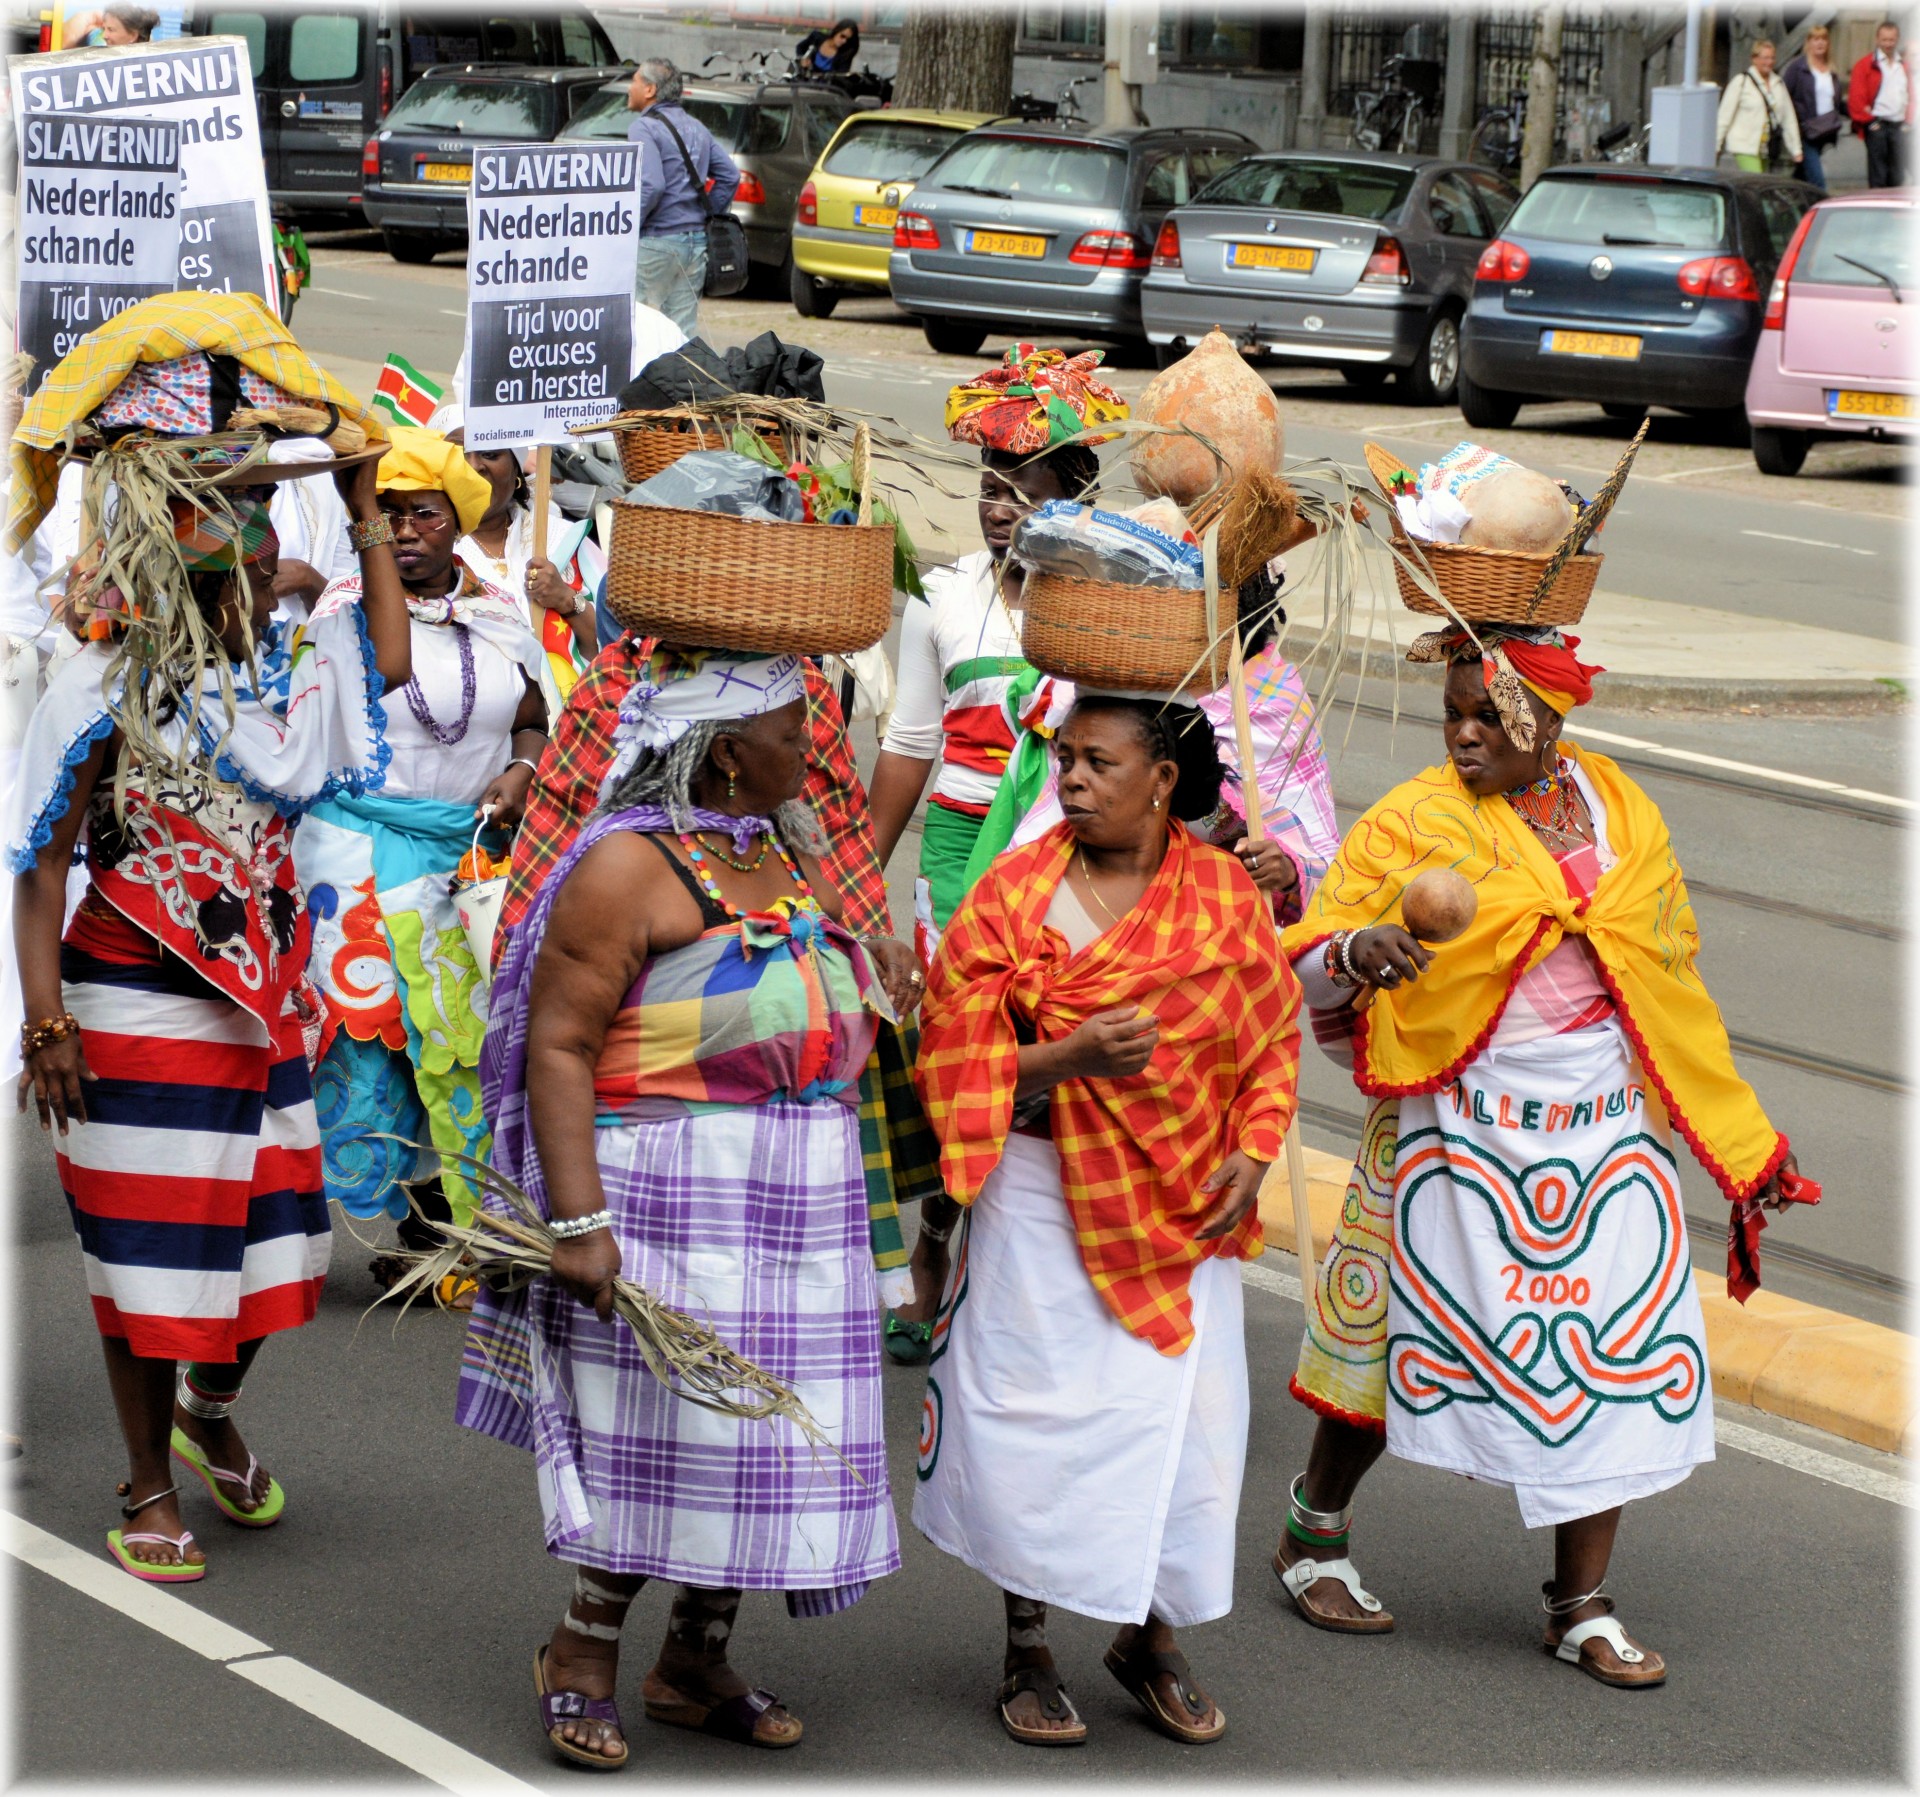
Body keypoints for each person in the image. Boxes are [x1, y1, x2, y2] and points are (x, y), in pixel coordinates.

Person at [1274, 623, 1815, 1688]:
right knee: (1394, 1339)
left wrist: (1736, 1133)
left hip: (1605, 1124)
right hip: (1453, 1115)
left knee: (1607, 1347)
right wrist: (1353, 951)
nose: (1465, 736)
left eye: (1489, 717)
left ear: (1549, 721)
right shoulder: (1417, 818)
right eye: (1453, 717)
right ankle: (1313, 1533)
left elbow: (1666, 954)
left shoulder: (1618, 806)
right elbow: (1314, 943)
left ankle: (1581, 1603)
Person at [457, 649, 921, 1768]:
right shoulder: (625, 869)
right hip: (670, 1202)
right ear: (725, 755)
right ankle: (581, 1650)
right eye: (796, 735)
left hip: (800, 1205)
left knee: (765, 1441)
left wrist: (867, 978)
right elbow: (560, 1049)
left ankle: (697, 1656)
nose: (819, 753)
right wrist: (577, 1222)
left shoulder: (779, 854)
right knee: (672, 1430)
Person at [8, 340, 408, 1581]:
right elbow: (40, 865)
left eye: (257, 541)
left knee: (274, 1249)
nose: (255, 574)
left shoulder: (279, 681)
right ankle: (144, 1482)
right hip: (126, 1002)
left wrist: (363, 516)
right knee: (147, 1259)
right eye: (221, 535)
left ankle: (212, 1407)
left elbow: (384, 663)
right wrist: (46, 1025)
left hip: (261, 1008)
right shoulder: (97, 685)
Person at [911, 692, 1301, 1747]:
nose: (1071, 780)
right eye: (1064, 760)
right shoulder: (1014, 895)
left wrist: (1254, 1154)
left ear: (1162, 778)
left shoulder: (1222, 892)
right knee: (1036, 1426)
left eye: (1097, 762)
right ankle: (1026, 1645)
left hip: (1184, 1212)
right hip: (1040, 1197)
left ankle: (1150, 1638)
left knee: (1186, 1436)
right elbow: (941, 1055)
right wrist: (1068, 1060)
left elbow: (1270, 1039)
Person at [293, 429, 547, 1293]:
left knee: (470, 1036)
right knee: (385, 1035)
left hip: (470, 857)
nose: (405, 530)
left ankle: (465, 1217)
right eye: (389, 514)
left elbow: (534, 710)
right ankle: (417, 1215)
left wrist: (519, 771)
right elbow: (375, 678)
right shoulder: (344, 609)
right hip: (358, 850)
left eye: (423, 514)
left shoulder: (499, 613)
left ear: (457, 524)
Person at [867, 346, 1126, 967]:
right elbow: (908, 744)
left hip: (1069, 840)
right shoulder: (943, 594)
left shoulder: (1113, 603)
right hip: (957, 840)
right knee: (958, 1017)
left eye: (1024, 495)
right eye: (990, 490)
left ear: (1076, 504)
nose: (1000, 511)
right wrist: (860, 886)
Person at [447, 430, 600, 708]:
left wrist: (566, 599)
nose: (475, 466)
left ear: (516, 471)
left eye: (490, 454)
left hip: (571, 725)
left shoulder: (562, 540)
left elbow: (619, 645)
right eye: (459, 455)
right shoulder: (430, 553)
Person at [627, 58, 741, 338]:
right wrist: (704, 214)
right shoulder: (696, 127)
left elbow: (651, 185)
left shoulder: (643, 128)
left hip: (657, 242)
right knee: (681, 333)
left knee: (641, 329)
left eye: (634, 81)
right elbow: (730, 176)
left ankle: (645, 383)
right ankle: (684, 382)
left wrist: (629, 227)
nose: (629, 88)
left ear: (651, 89)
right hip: (695, 243)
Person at [1715, 38, 1803, 173]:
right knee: (1755, 181)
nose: (1769, 62)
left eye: (1772, 58)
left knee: (1761, 184)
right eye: (1765, 58)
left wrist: (1796, 149)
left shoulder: (1778, 83)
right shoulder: (1741, 82)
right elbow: (1724, 116)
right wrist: (1716, 145)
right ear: (1754, 59)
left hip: (1767, 147)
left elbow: (1789, 119)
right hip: (1745, 145)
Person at [1850, 21, 1913, 188]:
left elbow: (1911, 95)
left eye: (1892, 40)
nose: (1888, 44)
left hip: (1899, 125)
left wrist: (1909, 121)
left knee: (1897, 175)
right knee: (1879, 175)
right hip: (1878, 124)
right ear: (1877, 40)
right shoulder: (1866, 65)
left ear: (1897, 39)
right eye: (1884, 40)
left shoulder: (1903, 66)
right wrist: (1869, 121)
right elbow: (1856, 98)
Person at [1784, 25, 1846, 191]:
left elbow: (1836, 101)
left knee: (1802, 176)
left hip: (1824, 131)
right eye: (1815, 39)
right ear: (1808, 43)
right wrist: (1796, 123)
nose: (1820, 43)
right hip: (1805, 132)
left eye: (1823, 39)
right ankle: (1821, 214)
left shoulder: (1831, 69)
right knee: (1818, 182)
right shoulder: (1797, 68)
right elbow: (1785, 97)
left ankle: (1786, 202)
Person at [60, 2, 156, 45]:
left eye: (111, 30)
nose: (104, 35)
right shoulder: (93, 39)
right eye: (103, 29)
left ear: (133, 36)